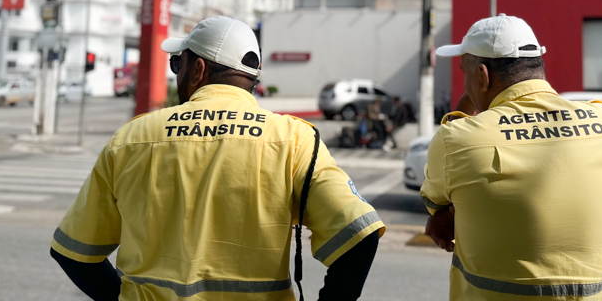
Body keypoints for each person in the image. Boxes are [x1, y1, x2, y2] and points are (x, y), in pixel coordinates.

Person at [51, 16, 385, 301]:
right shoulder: (293, 140)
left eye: (176, 64)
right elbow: (359, 235)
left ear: (197, 69)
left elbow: (74, 253)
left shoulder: (131, 138)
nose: (176, 74)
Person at [421, 14, 602, 300]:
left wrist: (468, 113)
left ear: (482, 76)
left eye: (465, 72)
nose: (466, 83)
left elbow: (438, 207)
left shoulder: (458, 138)